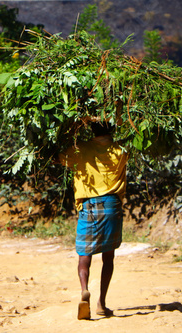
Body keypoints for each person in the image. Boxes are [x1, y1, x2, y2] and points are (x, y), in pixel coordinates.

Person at [59, 121, 128, 320]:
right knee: (108, 256)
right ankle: (102, 303)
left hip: (89, 207)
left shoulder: (79, 149)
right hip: (112, 205)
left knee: (84, 253)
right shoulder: (121, 151)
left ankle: (84, 290)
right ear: (112, 129)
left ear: (92, 130)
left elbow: (58, 158)